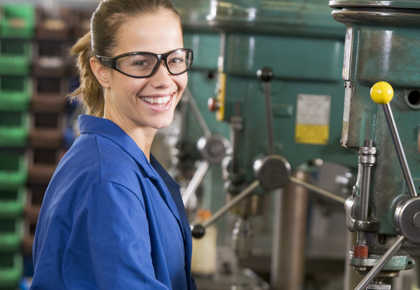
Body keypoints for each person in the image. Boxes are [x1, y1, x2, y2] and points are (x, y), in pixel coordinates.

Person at [31, 0, 196, 289]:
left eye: (175, 59)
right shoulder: (109, 182)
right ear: (102, 71)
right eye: (140, 62)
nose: (164, 79)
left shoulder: (123, 161)